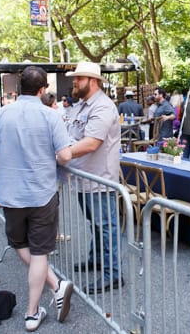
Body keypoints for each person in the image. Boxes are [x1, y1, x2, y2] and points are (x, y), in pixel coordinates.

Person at [0, 66, 73, 330]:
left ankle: (56, 288)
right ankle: (34, 311)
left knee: (20, 243)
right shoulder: (50, 116)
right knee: (40, 251)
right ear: (43, 90)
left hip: (9, 193)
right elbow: (65, 156)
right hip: (42, 192)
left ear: (19, 88)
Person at [63, 61, 123, 294]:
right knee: (96, 224)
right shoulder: (83, 105)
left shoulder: (103, 107)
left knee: (106, 226)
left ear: (93, 81)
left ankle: (113, 274)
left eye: (79, 78)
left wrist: (64, 153)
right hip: (85, 177)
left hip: (99, 180)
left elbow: (91, 142)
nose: (74, 82)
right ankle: (96, 259)